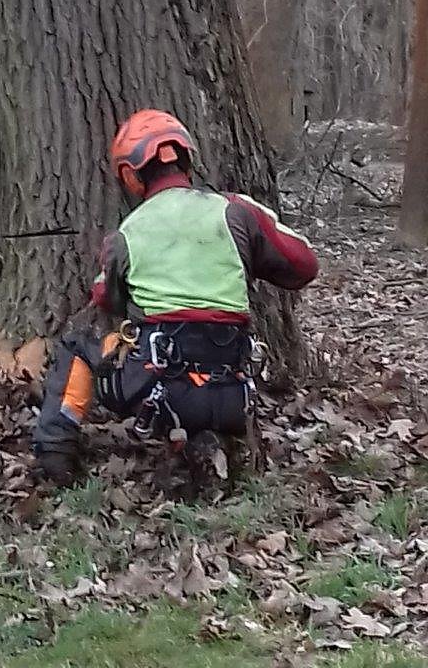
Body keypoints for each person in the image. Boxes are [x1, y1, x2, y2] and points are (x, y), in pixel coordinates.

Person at [33, 110, 318, 486]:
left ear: (131, 176)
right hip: (234, 393)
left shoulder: (126, 234)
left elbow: (105, 297)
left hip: (155, 391)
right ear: (186, 158)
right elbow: (303, 265)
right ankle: (207, 440)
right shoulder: (236, 211)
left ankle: (56, 452)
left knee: (77, 345)